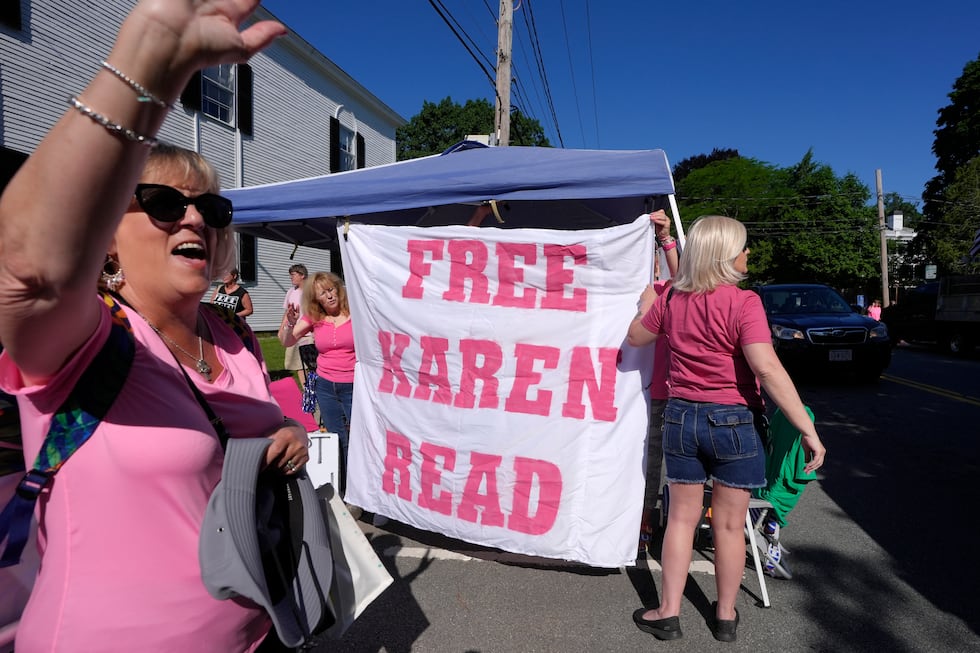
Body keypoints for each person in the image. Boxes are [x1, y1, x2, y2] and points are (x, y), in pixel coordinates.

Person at [0, 2, 300, 651]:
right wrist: (150, 66)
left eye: (210, 207)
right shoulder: (86, 341)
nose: (193, 220)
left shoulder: (235, 337)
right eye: (164, 204)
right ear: (106, 240)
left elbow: (257, 432)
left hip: (260, 629)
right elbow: (31, 269)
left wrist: (289, 438)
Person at [627, 216, 826, 643]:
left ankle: (667, 612)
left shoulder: (674, 299)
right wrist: (805, 427)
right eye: (743, 246)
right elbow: (767, 369)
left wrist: (646, 305)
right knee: (730, 526)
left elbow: (637, 338)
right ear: (725, 255)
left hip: (682, 417)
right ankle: (725, 616)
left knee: (681, 521)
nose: (748, 253)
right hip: (735, 422)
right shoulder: (744, 302)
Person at [280, 271, 356, 495]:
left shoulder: (355, 313)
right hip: (325, 385)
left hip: (353, 385)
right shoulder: (314, 317)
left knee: (358, 438)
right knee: (336, 436)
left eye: (331, 289)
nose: (329, 296)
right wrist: (289, 322)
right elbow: (287, 341)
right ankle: (342, 487)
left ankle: (359, 486)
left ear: (338, 289)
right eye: (322, 293)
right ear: (316, 299)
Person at [638, 210, 679, 553]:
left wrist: (665, 239)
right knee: (634, 459)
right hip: (626, 392)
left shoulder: (670, 291)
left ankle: (651, 520)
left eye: (651, 256)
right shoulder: (620, 290)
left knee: (662, 461)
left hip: (664, 393)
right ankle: (637, 517)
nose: (649, 263)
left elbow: (685, 280)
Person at [280, 264, 315, 386]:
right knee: (298, 364)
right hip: (294, 334)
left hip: (309, 334)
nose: (291, 278)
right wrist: (282, 330)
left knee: (312, 364)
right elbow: (287, 312)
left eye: (293, 275)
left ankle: (315, 388)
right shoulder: (291, 292)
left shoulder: (312, 291)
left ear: (302, 275)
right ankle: (306, 391)